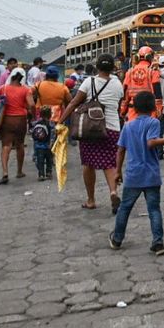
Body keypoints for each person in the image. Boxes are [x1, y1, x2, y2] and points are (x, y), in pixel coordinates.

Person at [110, 91, 164, 256]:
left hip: (133, 174)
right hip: (151, 174)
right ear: (153, 106)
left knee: (125, 208)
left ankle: (117, 239)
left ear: (135, 108)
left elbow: (121, 150)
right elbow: (151, 142)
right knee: (154, 209)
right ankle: (158, 242)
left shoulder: (128, 126)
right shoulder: (153, 123)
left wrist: (117, 171)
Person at [57, 54, 124, 211]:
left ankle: (91, 200)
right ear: (113, 68)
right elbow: (118, 104)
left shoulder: (89, 82)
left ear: (97, 67)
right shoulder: (117, 84)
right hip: (112, 128)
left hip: (89, 129)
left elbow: (74, 102)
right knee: (110, 164)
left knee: (88, 164)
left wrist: (60, 121)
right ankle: (113, 192)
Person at [0, 69, 33, 183]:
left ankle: (4, 172)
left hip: (6, 119)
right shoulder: (25, 90)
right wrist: (30, 113)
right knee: (20, 145)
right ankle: (19, 171)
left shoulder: (3, 88)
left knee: (6, 146)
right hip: (20, 120)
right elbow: (32, 104)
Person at [122, 46, 161, 123]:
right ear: (150, 57)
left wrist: (122, 111)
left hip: (133, 109)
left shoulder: (130, 72)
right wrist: (158, 110)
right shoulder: (153, 71)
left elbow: (125, 93)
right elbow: (157, 92)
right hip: (149, 110)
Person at [30, 106, 55, 181]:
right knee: (49, 160)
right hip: (48, 146)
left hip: (38, 146)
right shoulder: (51, 123)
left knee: (40, 161)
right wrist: (52, 143)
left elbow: (32, 131)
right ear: (50, 115)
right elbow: (53, 134)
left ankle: (41, 174)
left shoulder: (36, 123)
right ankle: (48, 173)